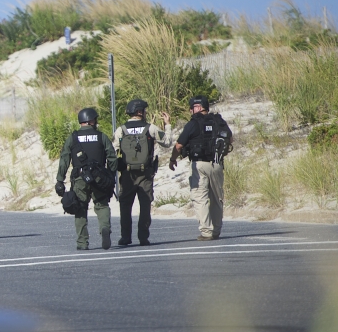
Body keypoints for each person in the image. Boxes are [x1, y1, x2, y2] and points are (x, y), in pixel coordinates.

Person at [168, 96, 233, 241]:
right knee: (217, 198)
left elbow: (179, 146)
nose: (191, 111)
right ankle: (216, 231)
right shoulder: (218, 120)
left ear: (197, 108)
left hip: (199, 165)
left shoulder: (193, 123)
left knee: (200, 197)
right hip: (217, 163)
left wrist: (173, 159)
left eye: (192, 108)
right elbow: (230, 139)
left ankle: (206, 231)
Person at [55, 108, 118, 250]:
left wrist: (60, 180)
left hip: (79, 179)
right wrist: (109, 175)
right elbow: (112, 158)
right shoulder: (101, 136)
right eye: (95, 120)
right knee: (102, 205)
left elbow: (64, 159)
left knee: (80, 209)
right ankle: (104, 229)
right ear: (90, 121)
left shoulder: (73, 137)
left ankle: (82, 243)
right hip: (99, 179)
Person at [113, 99, 173, 247]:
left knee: (125, 207)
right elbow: (167, 142)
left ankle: (125, 237)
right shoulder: (150, 128)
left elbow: (114, 152)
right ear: (139, 112)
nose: (145, 113)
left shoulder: (121, 130)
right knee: (145, 205)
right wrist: (168, 124)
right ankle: (143, 237)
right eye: (144, 111)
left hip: (127, 175)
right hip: (145, 174)